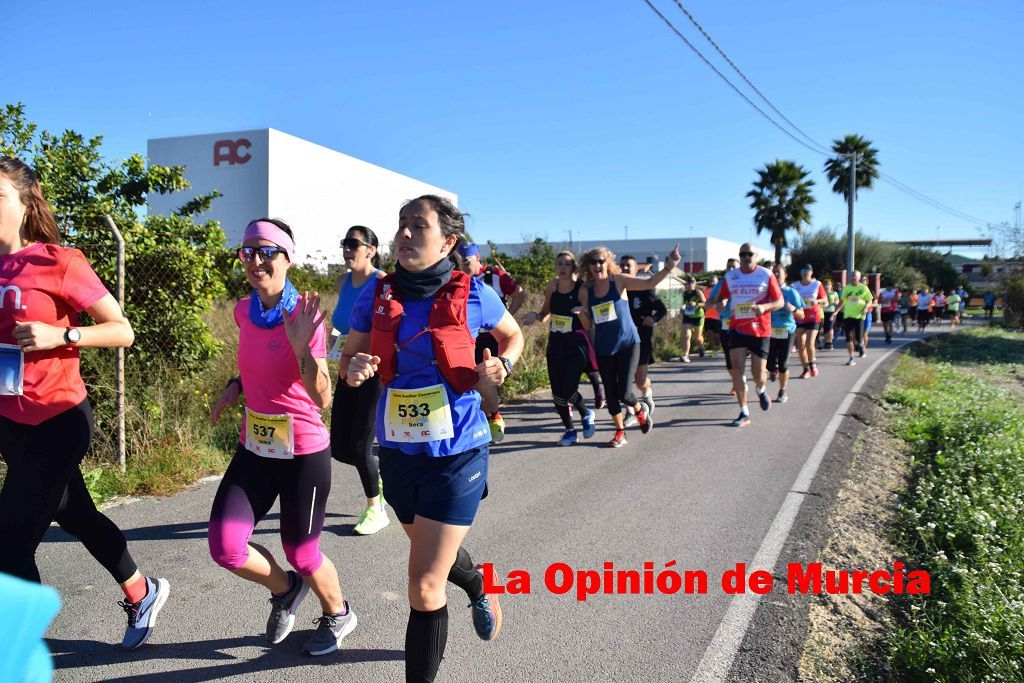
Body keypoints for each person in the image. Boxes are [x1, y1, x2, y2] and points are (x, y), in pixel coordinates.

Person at [343, 195, 523, 682]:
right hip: (399, 451)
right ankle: (479, 583)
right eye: (401, 225)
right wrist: (353, 369)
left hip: (459, 451)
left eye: (417, 226)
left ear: (447, 240)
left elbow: (513, 336)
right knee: (428, 551)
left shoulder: (475, 292)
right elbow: (350, 360)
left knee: (423, 585)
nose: (404, 235)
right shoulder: (376, 295)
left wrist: (500, 365)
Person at [0, 156, 170, 649]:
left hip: (58, 420)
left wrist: (61, 334)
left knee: (9, 542)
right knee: (74, 513)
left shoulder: (59, 260)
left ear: (26, 203)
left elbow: (123, 331)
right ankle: (143, 591)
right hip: (9, 420)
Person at [208, 218, 356, 656]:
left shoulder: (305, 318)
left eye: (266, 251)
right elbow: (257, 365)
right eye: (248, 251)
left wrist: (299, 345)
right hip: (256, 446)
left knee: (303, 552)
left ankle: (339, 612)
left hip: (302, 451)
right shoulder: (242, 310)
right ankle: (287, 591)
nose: (255, 260)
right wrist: (235, 386)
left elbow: (322, 397)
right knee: (226, 546)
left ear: (287, 258)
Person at [578, 244, 681, 448]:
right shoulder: (585, 290)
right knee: (611, 393)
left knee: (625, 393)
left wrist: (669, 267)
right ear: (588, 266)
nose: (598, 265)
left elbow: (650, 282)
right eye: (593, 261)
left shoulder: (619, 281)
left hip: (627, 343)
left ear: (608, 262)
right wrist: (581, 313)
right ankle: (620, 432)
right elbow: (589, 324)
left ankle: (639, 408)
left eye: (601, 261)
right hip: (604, 347)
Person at [329, 226, 389, 535]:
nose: (347, 249)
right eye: (345, 243)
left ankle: (375, 508)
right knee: (339, 448)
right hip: (345, 368)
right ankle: (384, 464)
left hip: (372, 370)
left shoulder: (381, 282)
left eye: (354, 243)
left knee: (360, 446)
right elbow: (343, 326)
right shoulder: (342, 282)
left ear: (372, 249)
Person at [523, 252, 597, 446]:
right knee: (557, 392)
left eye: (567, 264)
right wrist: (533, 315)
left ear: (573, 268)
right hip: (555, 343)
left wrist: (581, 314)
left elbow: (589, 325)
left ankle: (586, 413)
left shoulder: (581, 290)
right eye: (559, 264)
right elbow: (545, 314)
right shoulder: (552, 288)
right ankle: (570, 430)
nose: (562, 267)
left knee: (568, 388)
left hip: (576, 345)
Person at [706, 243, 784, 427]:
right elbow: (720, 298)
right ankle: (744, 412)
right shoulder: (731, 276)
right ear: (739, 256)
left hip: (760, 330)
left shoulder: (766, 274)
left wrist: (764, 307)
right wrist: (720, 303)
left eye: (749, 254)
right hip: (738, 329)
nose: (746, 257)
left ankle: (761, 388)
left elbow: (779, 300)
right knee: (737, 371)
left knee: (757, 374)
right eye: (743, 254)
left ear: (756, 255)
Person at [458, 243, 526, 444]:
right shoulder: (458, 281)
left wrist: (507, 317)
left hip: (492, 337)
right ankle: (483, 418)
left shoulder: (494, 275)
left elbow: (520, 293)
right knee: (470, 379)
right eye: (459, 261)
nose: (462, 265)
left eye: (466, 261)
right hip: (470, 336)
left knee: (482, 378)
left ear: (477, 257)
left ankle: (495, 416)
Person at [619, 255, 667, 414]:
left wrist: (652, 318)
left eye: (628, 265)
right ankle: (630, 412)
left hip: (642, 339)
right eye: (623, 265)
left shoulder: (644, 289)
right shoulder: (617, 290)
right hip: (622, 340)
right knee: (624, 379)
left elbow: (662, 309)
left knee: (640, 381)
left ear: (636, 269)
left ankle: (647, 394)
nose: (625, 268)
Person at [767, 264, 804, 403]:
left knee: (783, 364)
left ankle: (782, 391)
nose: (775, 275)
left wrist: (793, 308)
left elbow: (802, 315)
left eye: (778, 272)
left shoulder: (791, 292)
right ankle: (772, 369)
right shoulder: (766, 292)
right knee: (769, 364)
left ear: (785, 275)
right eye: (773, 272)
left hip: (787, 331)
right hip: (769, 332)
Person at [706, 259, 740, 394]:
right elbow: (707, 305)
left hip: (744, 325)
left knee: (739, 357)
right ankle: (737, 382)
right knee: (729, 360)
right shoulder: (720, 284)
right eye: (728, 267)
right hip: (726, 324)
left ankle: (740, 382)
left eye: (734, 267)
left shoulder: (745, 282)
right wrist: (718, 300)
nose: (730, 270)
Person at [791, 265, 826, 377]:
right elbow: (791, 300)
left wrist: (817, 301)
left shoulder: (817, 284)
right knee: (801, 345)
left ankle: (812, 364)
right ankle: (805, 369)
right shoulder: (795, 285)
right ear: (800, 273)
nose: (805, 273)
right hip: (800, 317)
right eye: (803, 270)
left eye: (807, 271)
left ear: (811, 272)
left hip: (813, 316)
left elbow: (825, 300)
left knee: (809, 343)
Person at [835, 270, 874, 365]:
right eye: (852, 276)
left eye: (855, 276)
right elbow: (842, 301)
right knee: (848, 337)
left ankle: (861, 346)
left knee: (858, 338)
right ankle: (851, 358)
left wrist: (866, 307)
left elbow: (869, 300)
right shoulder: (847, 288)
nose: (853, 278)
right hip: (848, 315)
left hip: (859, 316)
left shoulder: (864, 288)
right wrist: (836, 312)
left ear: (859, 278)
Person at [680, 277, 706, 363]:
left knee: (698, 337)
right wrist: (682, 308)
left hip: (698, 316)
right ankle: (685, 355)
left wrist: (696, 304)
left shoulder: (698, 292)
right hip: (688, 316)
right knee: (687, 335)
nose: (690, 284)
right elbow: (683, 303)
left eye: (692, 282)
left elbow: (705, 303)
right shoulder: (684, 294)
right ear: (686, 284)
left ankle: (701, 346)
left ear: (695, 284)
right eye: (689, 283)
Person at [822, 280, 840, 350]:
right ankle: (826, 341)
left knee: (830, 327)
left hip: (831, 312)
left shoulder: (834, 293)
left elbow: (837, 301)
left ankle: (830, 342)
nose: (827, 286)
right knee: (825, 328)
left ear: (831, 286)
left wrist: (836, 302)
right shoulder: (821, 293)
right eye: (825, 285)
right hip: (823, 312)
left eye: (828, 285)